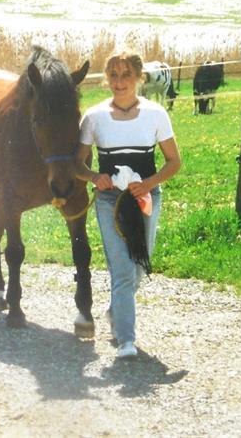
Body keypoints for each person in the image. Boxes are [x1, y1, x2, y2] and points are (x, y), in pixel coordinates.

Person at [76, 50, 182, 359]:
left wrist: (148, 184)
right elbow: (76, 164)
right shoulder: (94, 117)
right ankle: (125, 340)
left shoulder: (156, 114)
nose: (119, 82)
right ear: (106, 78)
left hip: (146, 198)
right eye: (113, 75)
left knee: (138, 268)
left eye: (126, 75)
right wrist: (96, 176)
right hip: (110, 201)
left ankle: (115, 311)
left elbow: (174, 161)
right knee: (121, 270)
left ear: (139, 77)